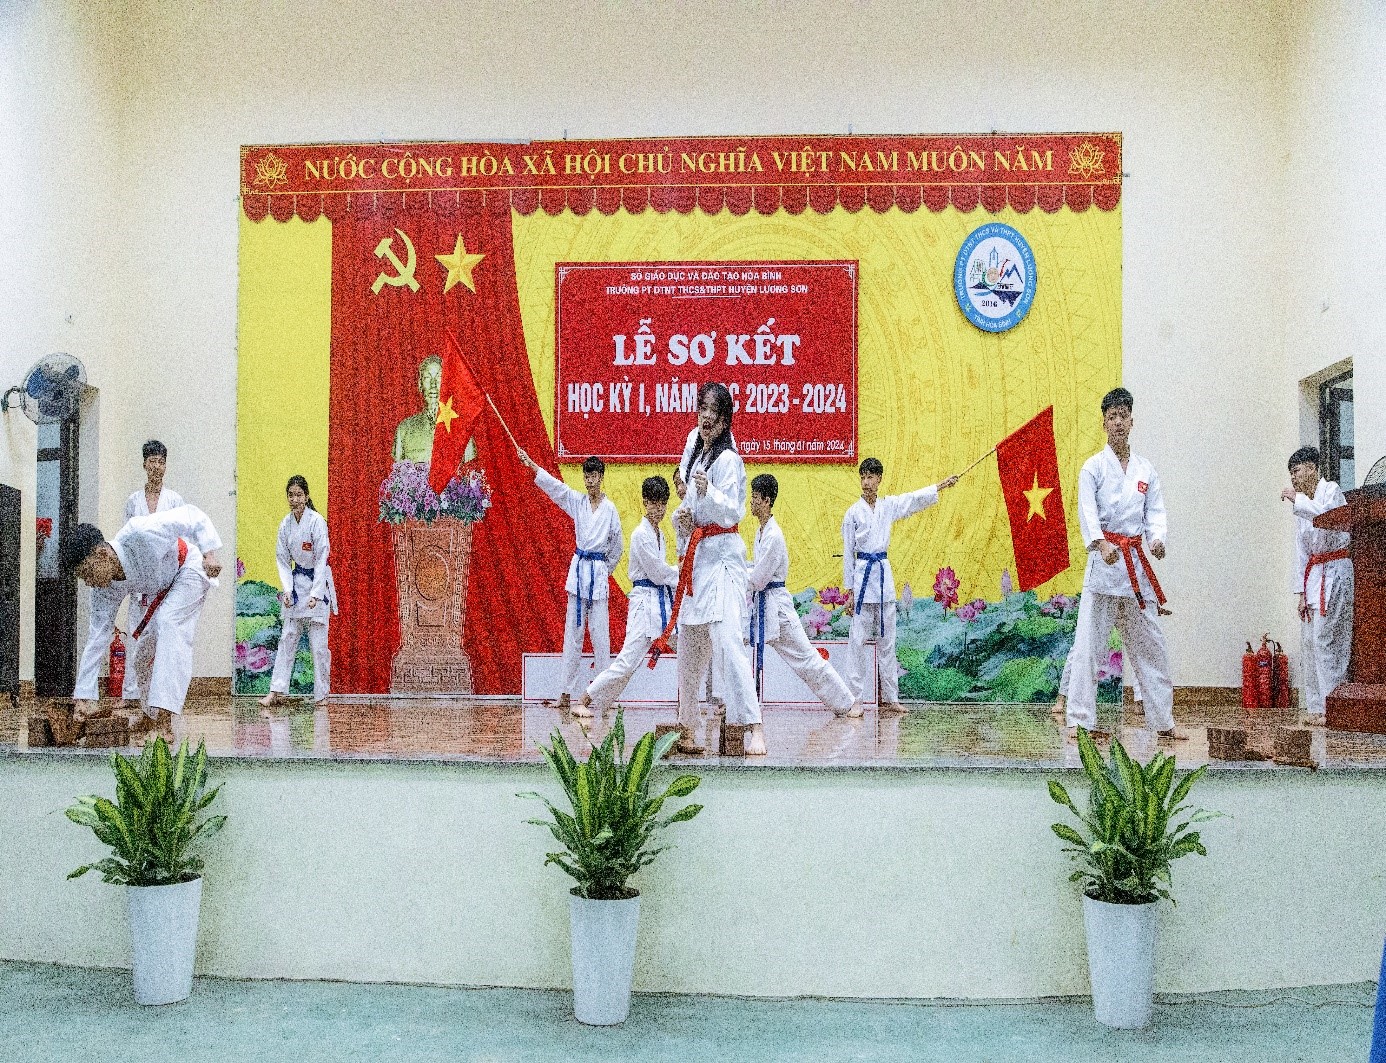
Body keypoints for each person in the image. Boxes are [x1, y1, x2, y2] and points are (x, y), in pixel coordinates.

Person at [1064, 387, 1185, 740]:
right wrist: (1100, 543)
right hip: (1104, 566)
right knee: (1089, 646)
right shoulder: (1093, 467)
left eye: (1123, 416)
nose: (1118, 422)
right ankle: (1079, 720)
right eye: (1112, 417)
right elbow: (1087, 512)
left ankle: (1163, 721)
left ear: (1132, 421)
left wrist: (1157, 539)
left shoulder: (1146, 469)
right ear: (1104, 423)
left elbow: (1155, 511)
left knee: (1152, 646)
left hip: (1135, 567)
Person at [64, 504, 223, 739]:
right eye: (82, 577)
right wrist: (83, 698)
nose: (88, 582)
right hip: (162, 590)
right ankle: (150, 716)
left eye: (87, 573)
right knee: (141, 655)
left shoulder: (139, 532)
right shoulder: (102, 590)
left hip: (189, 567)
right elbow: (97, 638)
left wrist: (209, 554)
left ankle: (164, 722)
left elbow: (192, 515)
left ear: (102, 554)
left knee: (169, 624)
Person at [666, 383, 764, 755]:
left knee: (727, 641)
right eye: (702, 408)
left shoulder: (729, 460)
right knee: (690, 645)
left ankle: (754, 726)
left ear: (724, 421)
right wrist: (683, 510)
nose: (706, 417)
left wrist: (709, 492)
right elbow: (687, 498)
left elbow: (734, 510)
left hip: (724, 560)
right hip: (697, 558)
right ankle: (686, 728)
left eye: (714, 412)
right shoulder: (693, 443)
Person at [842, 457, 958, 714]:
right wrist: (849, 591)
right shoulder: (852, 513)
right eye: (863, 477)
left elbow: (913, 500)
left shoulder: (888, 506)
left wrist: (940, 486)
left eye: (871, 477)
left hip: (883, 578)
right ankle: (855, 699)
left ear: (879, 479)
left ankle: (891, 697)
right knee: (857, 642)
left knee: (888, 642)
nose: (866, 482)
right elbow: (848, 554)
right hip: (862, 580)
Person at [516, 451, 623, 708]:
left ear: (601, 477)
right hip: (578, 574)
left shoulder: (610, 509)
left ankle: (603, 694)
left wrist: (602, 569)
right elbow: (557, 489)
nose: (590, 481)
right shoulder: (578, 502)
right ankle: (565, 693)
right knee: (572, 635)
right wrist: (532, 465)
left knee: (600, 637)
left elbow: (617, 547)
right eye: (587, 476)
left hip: (596, 574)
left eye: (594, 476)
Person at [747, 473, 855, 716]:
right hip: (763, 605)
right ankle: (732, 702)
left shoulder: (774, 535)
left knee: (805, 658)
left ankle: (846, 702)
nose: (751, 502)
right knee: (737, 648)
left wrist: (732, 575)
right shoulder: (761, 532)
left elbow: (758, 578)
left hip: (776, 606)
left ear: (766, 500)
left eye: (754, 497)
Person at [576, 476, 680, 718]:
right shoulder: (640, 534)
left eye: (663, 504)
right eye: (654, 504)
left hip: (660, 604)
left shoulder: (659, 534)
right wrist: (682, 573)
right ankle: (584, 699)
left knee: (687, 649)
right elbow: (657, 573)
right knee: (627, 663)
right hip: (644, 604)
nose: (659, 509)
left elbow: (662, 574)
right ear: (645, 502)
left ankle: (696, 702)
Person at [1282, 445, 1353, 726]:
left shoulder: (1331, 492)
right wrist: (1301, 592)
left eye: (1297, 471)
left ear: (1312, 468)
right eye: (1291, 473)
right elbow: (1302, 552)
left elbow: (1327, 518)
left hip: (1335, 570)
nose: (1293, 478)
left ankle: (1332, 705)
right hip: (1314, 575)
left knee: (1327, 639)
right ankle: (1316, 707)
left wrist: (1298, 500)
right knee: (1310, 642)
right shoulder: (1302, 506)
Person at [118, 439, 185, 709]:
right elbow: (125, 541)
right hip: (140, 580)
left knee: (164, 640)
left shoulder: (174, 500)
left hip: (166, 580)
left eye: (161, 462)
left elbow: (182, 538)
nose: (156, 466)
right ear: (144, 464)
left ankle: (160, 696)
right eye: (152, 461)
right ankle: (131, 693)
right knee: (136, 637)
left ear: (165, 466)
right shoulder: (133, 502)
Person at [260, 476, 337, 708]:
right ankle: (276, 690)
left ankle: (321, 694)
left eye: (299, 495)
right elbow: (282, 560)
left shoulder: (316, 522)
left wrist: (316, 594)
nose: (294, 499)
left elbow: (322, 558)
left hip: (316, 583)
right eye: (291, 495)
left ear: (306, 496)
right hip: (296, 585)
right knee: (287, 638)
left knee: (318, 645)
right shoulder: (285, 524)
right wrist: (287, 589)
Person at [393, 354, 475, 464]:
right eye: (427, 378)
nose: (433, 385)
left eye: (439, 377)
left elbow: (470, 469)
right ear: (420, 385)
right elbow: (397, 471)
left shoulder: (462, 428)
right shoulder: (405, 429)